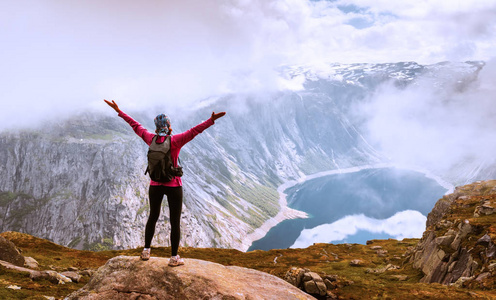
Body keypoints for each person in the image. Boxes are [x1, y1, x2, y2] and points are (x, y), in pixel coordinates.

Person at [104, 99, 226, 267]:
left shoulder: (150, 138)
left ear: (155, 128)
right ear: (169, 126)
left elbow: (135, 125)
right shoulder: (175, 140)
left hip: (155, 185)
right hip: (174, 185)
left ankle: (146, 250)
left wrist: (119, 110)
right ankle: (174, 258)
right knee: (174, 222)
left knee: (152, 216)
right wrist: (211, 120)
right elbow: (195, 131)